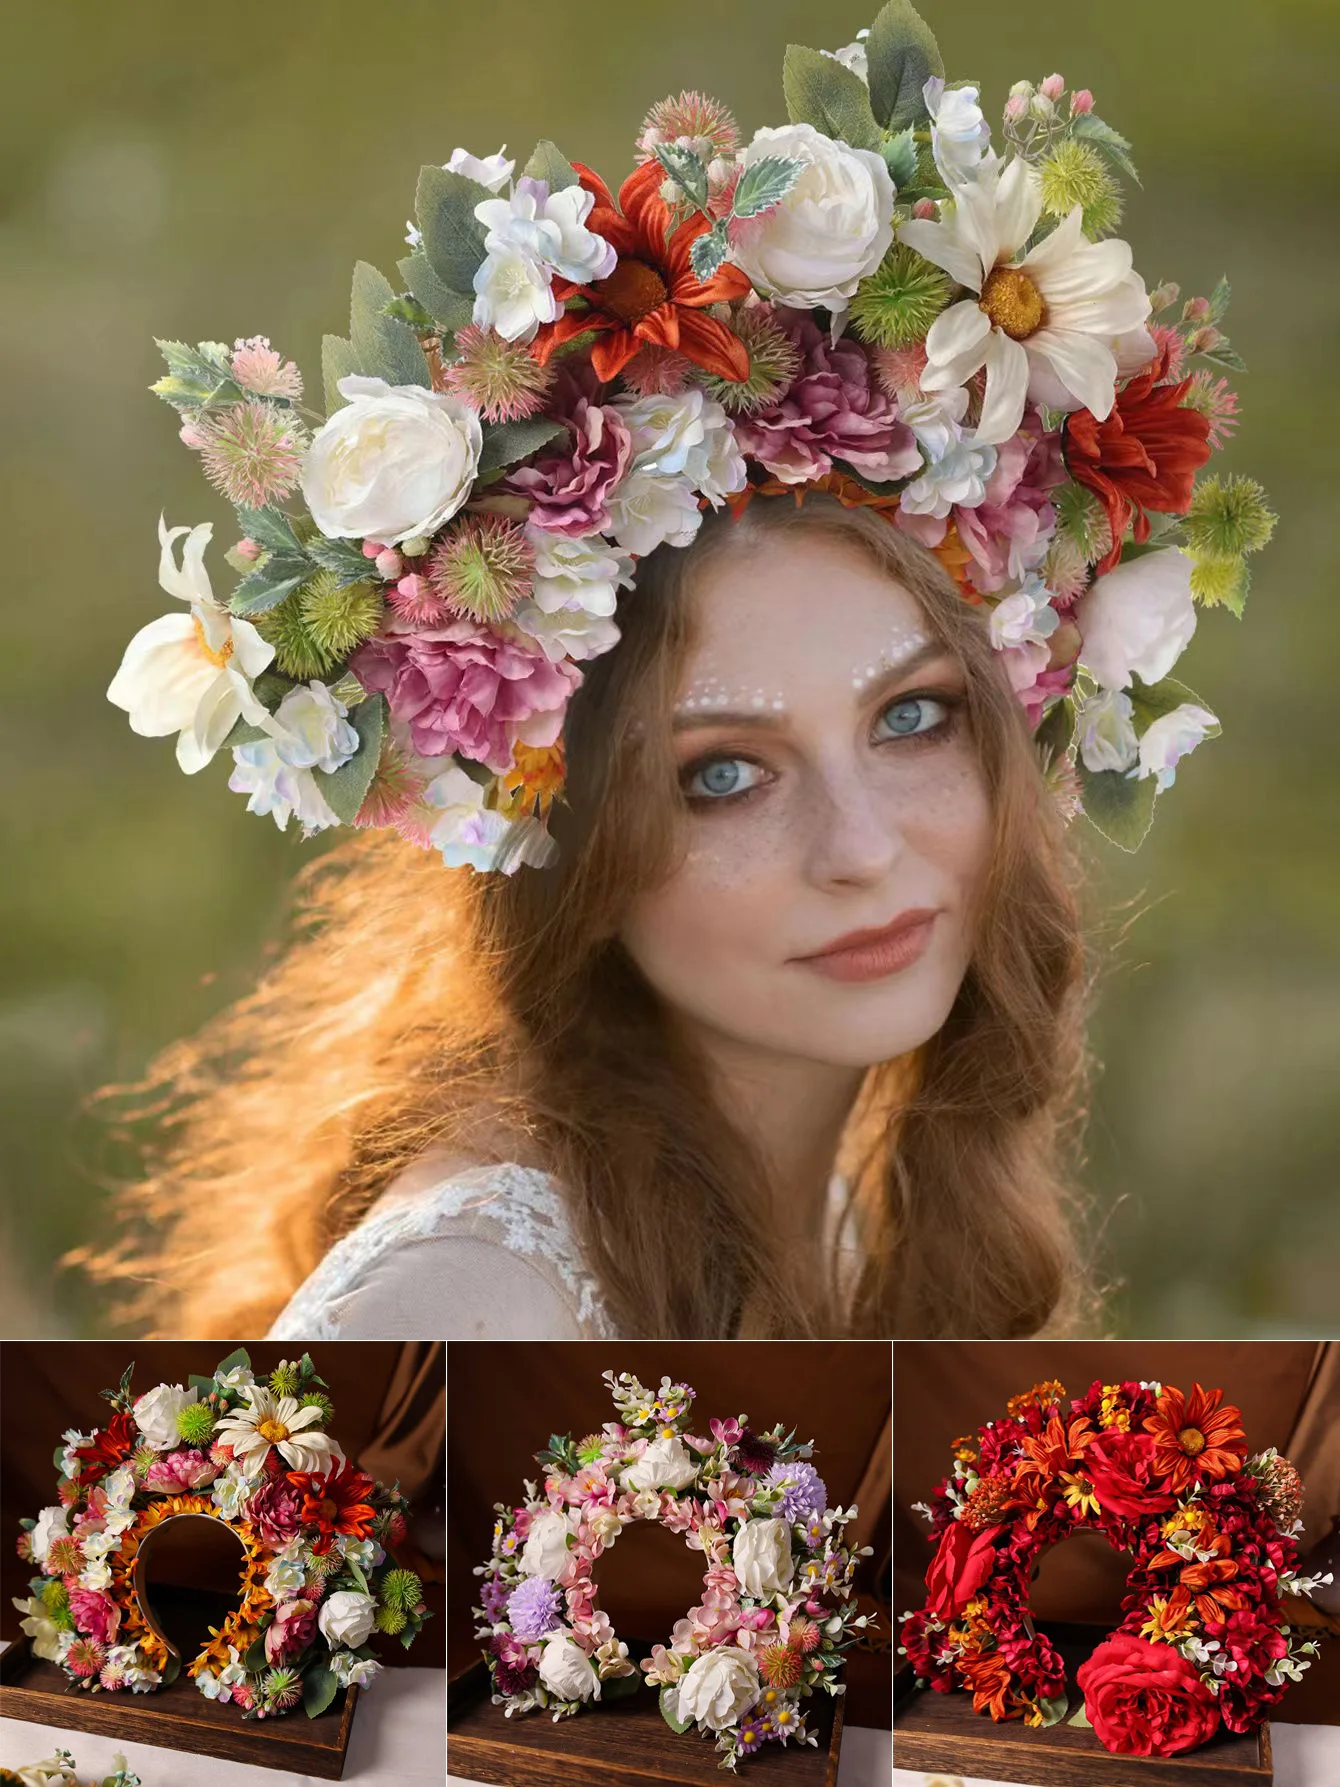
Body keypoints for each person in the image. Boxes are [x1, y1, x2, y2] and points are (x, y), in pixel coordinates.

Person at [91, 7, 1266, 1343]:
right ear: (566, 842)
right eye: (722, 774)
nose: (864, 849)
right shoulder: (470, 1311)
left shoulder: (821, 1210)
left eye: (914, 716)